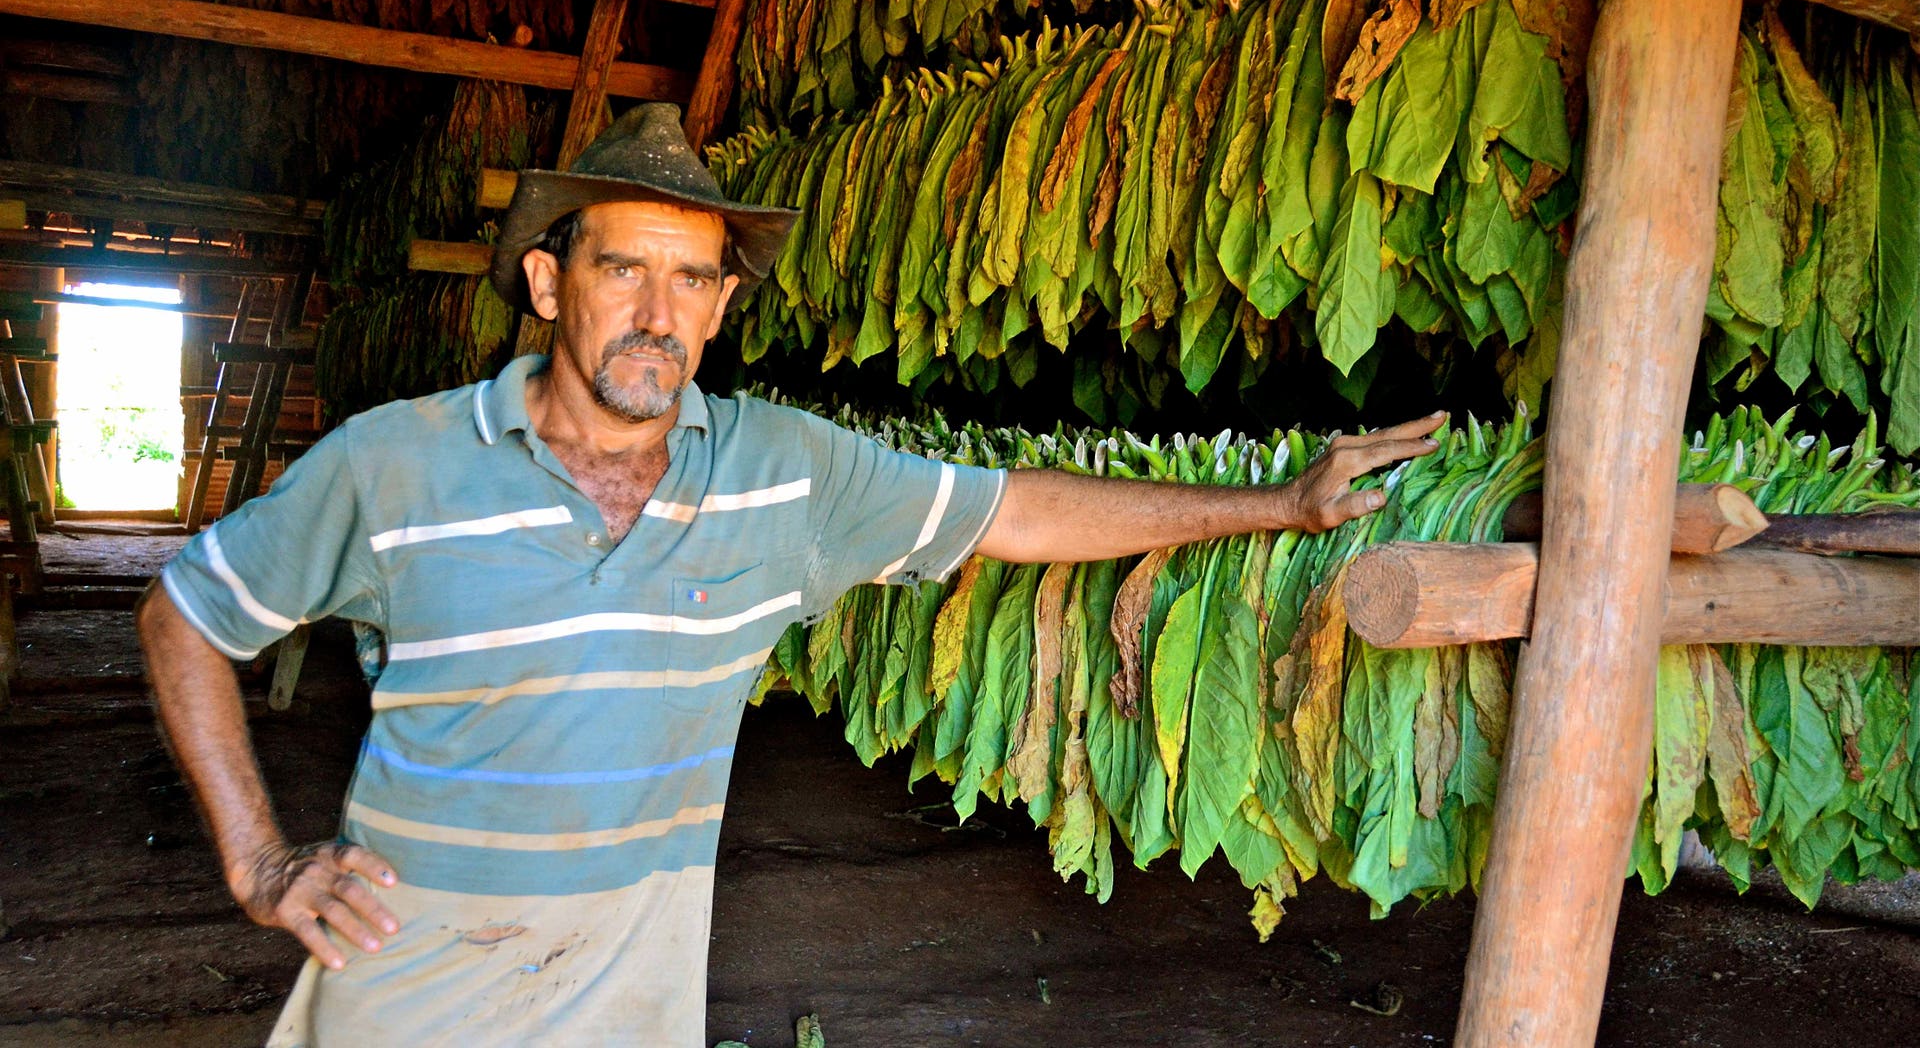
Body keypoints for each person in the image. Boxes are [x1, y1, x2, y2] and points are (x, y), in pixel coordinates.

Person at [138, 103, 1445, 1046]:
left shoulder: (787, 474)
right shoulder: (394, 467)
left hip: (627, 1018)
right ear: (548, 283)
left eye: (691, 279)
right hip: (403, 1007)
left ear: (719, 308)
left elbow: (1021, 512)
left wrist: (1274, 500)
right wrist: (259, 865)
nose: (657, 311)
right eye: (621, 268)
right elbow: (185, 615)